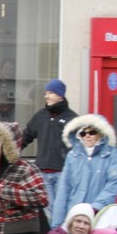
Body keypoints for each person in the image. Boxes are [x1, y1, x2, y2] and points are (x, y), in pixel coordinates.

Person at [50, 114, 117, 228]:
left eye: (92, 132)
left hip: (100, 215)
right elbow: (64, 189)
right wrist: (57, 224)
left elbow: (113, 184)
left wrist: (95, 207)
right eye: (83, 133)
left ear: (101, 133)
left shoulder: (112, 155)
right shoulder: (73, 155)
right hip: (75, 215)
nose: (87, 136)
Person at [21, 79, 78, 207]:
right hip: (42, 173)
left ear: (60, 95)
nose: (46, 96)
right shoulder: (40, 116)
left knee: (61, 208)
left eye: (50, 93)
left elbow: (79, 148)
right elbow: (25, 137)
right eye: (46, 93)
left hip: (63, 173)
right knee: (47, 211)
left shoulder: (73, 119)